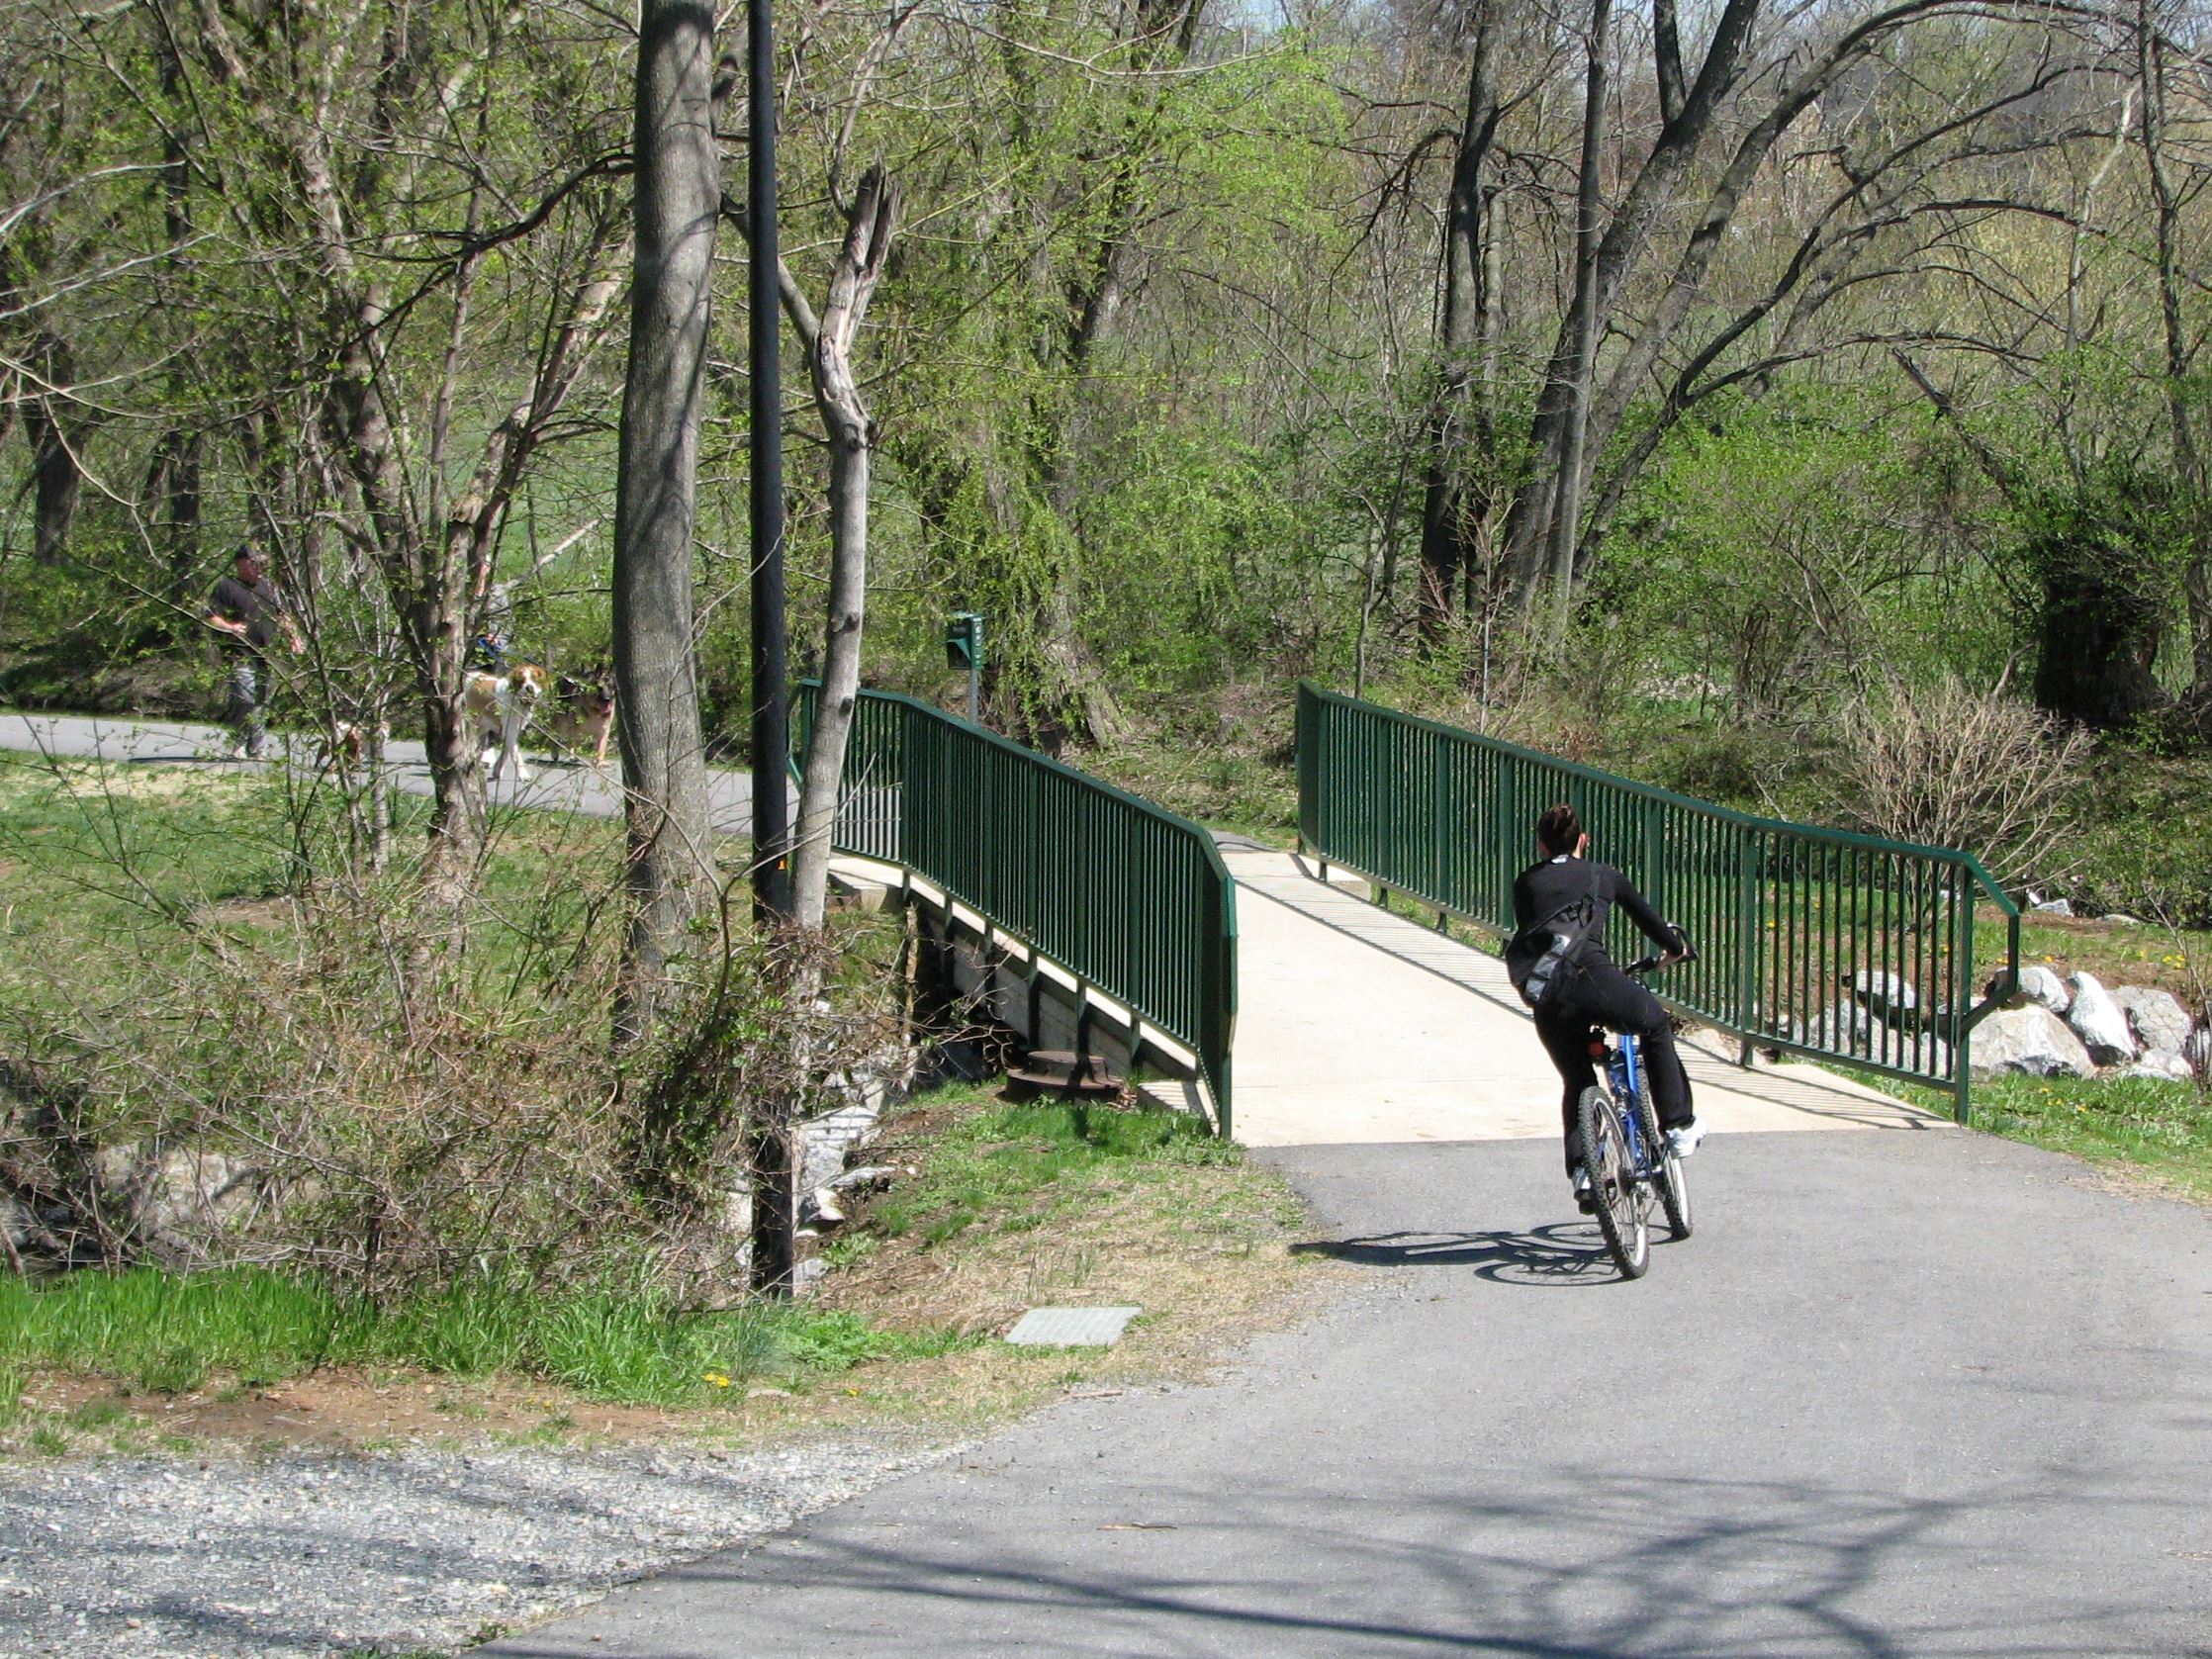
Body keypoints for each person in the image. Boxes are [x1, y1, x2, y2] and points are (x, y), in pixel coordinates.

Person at [1510, 802, 1703, 1211]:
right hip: (1594, 978)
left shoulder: (1526, 882)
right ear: (1584, 840)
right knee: (1652, 1024)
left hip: (1548, 994)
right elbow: (1652, 923)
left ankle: (1584, 1171)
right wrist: (1675, 949)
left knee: (1577, 1077)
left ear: (1541, 845)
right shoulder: (1605, 876)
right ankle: (1679, 1123)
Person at [205, 547, 301, 760]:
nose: (259, 567)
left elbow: (282, 616)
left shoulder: (269, 588)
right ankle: (247, 744)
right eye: (253, 562)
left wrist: (293, 638)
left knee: (260, 703)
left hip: (264, 655)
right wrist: (230, 627)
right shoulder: (226, 587)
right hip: (238, 654)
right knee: (245, 698)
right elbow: (211, 616)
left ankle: (251, 748)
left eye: (260, 562)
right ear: (241, 563)